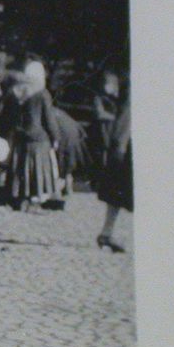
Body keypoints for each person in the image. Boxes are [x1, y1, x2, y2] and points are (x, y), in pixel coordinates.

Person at [7, 60, 61, 210]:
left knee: (21, 168)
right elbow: (48, 119)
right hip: (38, 138)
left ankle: (20, 197)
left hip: (20, 137)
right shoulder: (42, 93)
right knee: (37, 170)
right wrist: (55, 137)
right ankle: (35, 198)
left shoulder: (15, 92)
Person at [96, 98, 132, 252]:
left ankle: (107, 232)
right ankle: (107, 232)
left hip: (125, 147)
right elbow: (126, 120)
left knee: (117, 195)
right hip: (127, 149)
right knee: (118, 194)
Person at [49, 104, 89, 204]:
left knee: (58, 165)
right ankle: (68, 189)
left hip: (64, 137)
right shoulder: (58, 111)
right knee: (67, 166)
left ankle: (56, 193)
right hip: (74, 135)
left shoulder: (48, 113)